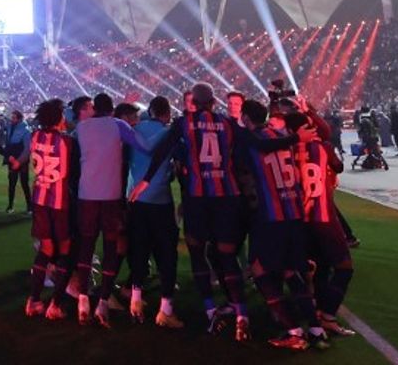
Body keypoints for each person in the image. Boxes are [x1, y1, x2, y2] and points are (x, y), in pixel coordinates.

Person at [132, 82, 291, 341]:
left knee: (198, 253)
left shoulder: (184, 123)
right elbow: (257, 145)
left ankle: (210, 310)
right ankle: (242, 315)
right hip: (227, 198)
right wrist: (294, 139)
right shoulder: (228, 124)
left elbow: (163, 150)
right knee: (227, 256)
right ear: (214, 102)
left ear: (193, 102)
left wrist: (146, 180)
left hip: (198, 199)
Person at [236, 99, 326, 350]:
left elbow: (257, 148)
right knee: (291, 271)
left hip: (272, 217)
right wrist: (296, 138)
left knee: (260, 270)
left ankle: (295, 332)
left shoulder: (252, 138)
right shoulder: (281, 132)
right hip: (293, 213)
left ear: (245, 117)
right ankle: (317, 330)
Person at [69, 93, 150, 326]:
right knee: (111, 247)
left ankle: (83, 298)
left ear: (95, 108)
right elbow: (143, 146)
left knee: (86, 246)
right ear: (111, 109)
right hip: (111, 197)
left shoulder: (81, 128)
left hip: (86, 196)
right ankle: (103, 301)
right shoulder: (118, 125)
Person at [290, 108, 358, 339]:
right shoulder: (323, 147)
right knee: (344, 267)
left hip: (299, 220)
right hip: (324, 218)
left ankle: (312, 314)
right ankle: (327, 316)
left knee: (317, 267)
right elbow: (338, 166)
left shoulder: (286, 149)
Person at [12, 98, 77, 320]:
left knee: (46, 249)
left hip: (40, 199)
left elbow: (25, 156)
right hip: (60, 203)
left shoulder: (35, 136)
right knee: (66, 249)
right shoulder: (67, 141)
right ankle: (56, 304)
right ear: (58, 117)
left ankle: (34, 300)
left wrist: (17, 162)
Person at [124, 96, 182, 327]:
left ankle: (135, 301)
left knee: (138, 250)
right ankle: (165, 310)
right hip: (159, 200)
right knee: (167, 255)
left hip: (135, 199)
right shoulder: (168, 132)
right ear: (166, 114)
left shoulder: (134, 129)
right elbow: (176, 166)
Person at [4, 108, 32, 213]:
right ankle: (10, 205)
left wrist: (19, 161)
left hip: (22, 159)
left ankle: (29, 206)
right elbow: (8, 144)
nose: (11, 119)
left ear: (19, 119)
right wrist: (9, 156)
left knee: (24, 183)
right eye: (12, 117)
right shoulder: (10, 127)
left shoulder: (26, 130)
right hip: (12, 158)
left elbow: (27, 148)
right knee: (12, 183)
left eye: (14, 117)